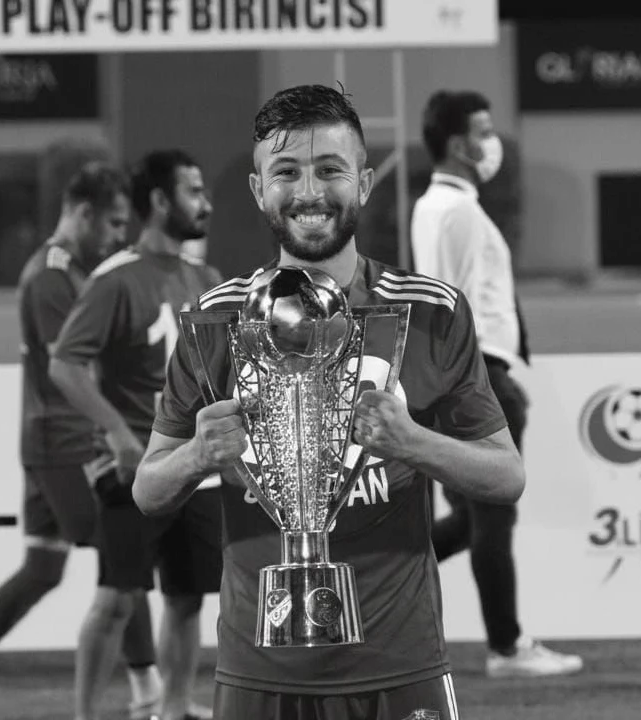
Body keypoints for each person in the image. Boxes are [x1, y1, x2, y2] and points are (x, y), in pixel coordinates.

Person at [134, 84, 525, 720]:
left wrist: (412, 442)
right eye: (286, 172)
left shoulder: (428, 312)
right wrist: (196, 456)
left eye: (330, 169)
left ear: (364, 183)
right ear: (259, 189)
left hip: (402, 665)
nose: (310, 192)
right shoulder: (217, 318)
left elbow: (506, 477)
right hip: (258, 672)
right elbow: (149, 489)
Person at [0, 163, 166, 720]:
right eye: (113, 223)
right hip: (67, 442)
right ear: (82, 213)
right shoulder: (53, 277)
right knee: (122, 553)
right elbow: (72, 370)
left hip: (51, 439)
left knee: (43, 568)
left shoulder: (69, 271)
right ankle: (151, 694)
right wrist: (117, 429)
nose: (119, 235)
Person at [412, 90, 583, 678]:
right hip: (475, 370)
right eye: (483, 131)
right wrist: (483, 384)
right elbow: (450, 305)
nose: (493, 143)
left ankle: (371, 576)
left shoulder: (441, 206)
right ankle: (507, 647)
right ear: (458, 144)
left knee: (473, 518)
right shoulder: (455, 211)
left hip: (472, 370)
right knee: (492, 515)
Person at [50, 150, 222, 720]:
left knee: (187, 597)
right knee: (118, 599)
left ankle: (173, 709)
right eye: (194, 191)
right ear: (160, 200)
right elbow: (64, 365)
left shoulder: (208, 280)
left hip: (197, 468)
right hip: (135, 469)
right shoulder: (114, 280)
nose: (206, 204)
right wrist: (119, 435)